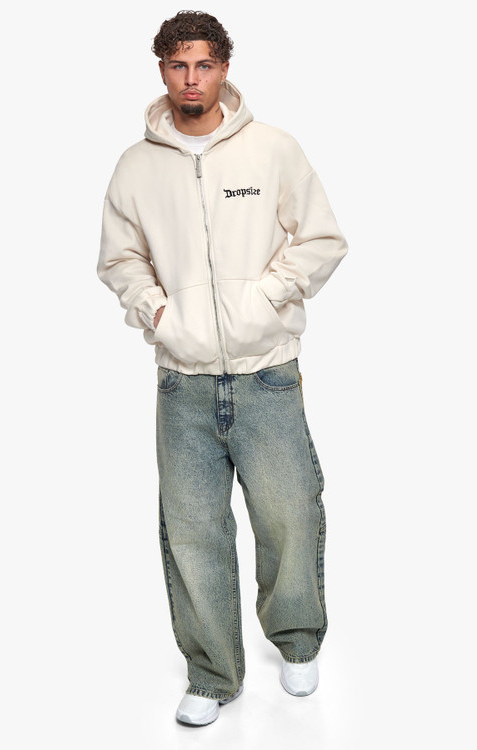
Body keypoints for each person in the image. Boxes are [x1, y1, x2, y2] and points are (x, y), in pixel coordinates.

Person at [97, 10, 348, 726]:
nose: (191, 79)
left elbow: (322, 240)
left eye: (203, 65)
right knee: (192, 531)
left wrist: (267, 298)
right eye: (178, 65)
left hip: (268, 371)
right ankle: (212, 673)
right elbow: (119, 257)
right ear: (161, 70)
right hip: (182, 381)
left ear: (224, 68)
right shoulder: (136, 165)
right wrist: (157, 311)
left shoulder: (273, 149)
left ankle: (297, 639)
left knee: (289, 514)